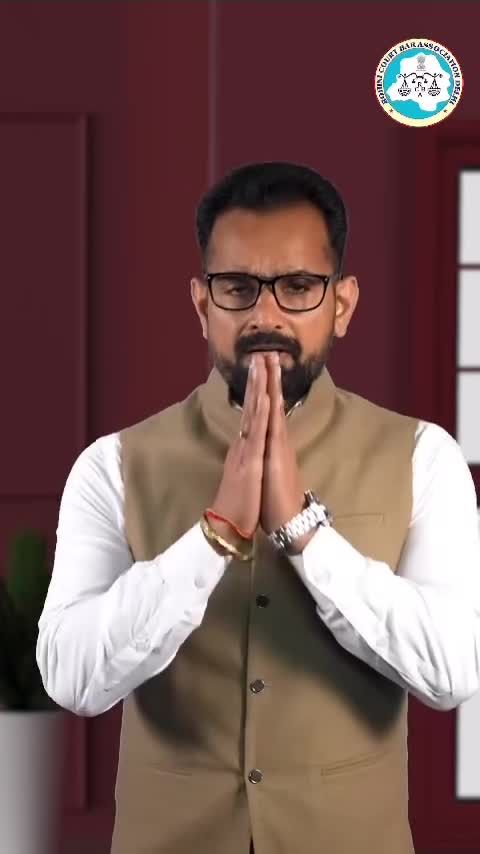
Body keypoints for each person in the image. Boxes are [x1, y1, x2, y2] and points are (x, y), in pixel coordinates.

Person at [36, 162, 480, 854]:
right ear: (201, 305)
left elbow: (451, 673)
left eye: (298, 287)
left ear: (342, 304)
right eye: (237, 288)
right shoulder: (111, 465)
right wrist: (213, 535)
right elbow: (72, 679)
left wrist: (304, 531)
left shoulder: (424, 456)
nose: (265, 316)